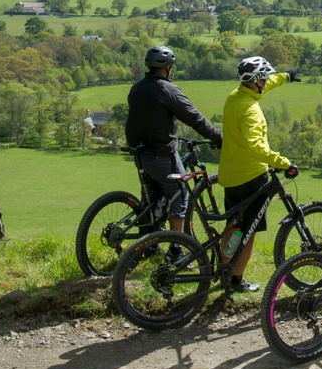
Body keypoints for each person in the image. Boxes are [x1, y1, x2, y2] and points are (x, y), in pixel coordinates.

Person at [217, 55, 301, 293]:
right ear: (256, 81)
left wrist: (285, 77)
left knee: (234, 227)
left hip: (230, 175)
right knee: (248, 232)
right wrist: (284, 163)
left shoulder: (235, 96)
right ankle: (236, 279)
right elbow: (257, 148)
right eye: (263, 79)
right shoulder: (251, 110)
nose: (265, 82)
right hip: (251, 178)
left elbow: (266, 83)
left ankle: (225, 268)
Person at [124, 45, 223, 233]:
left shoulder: (136, 87)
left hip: (140, 153)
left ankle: (148, 244)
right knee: (180, 196)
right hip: (160, 154)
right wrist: (218, 137)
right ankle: (176, 250)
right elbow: (194, 117)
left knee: (150, 199)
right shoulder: (166, 89)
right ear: (168, 67)